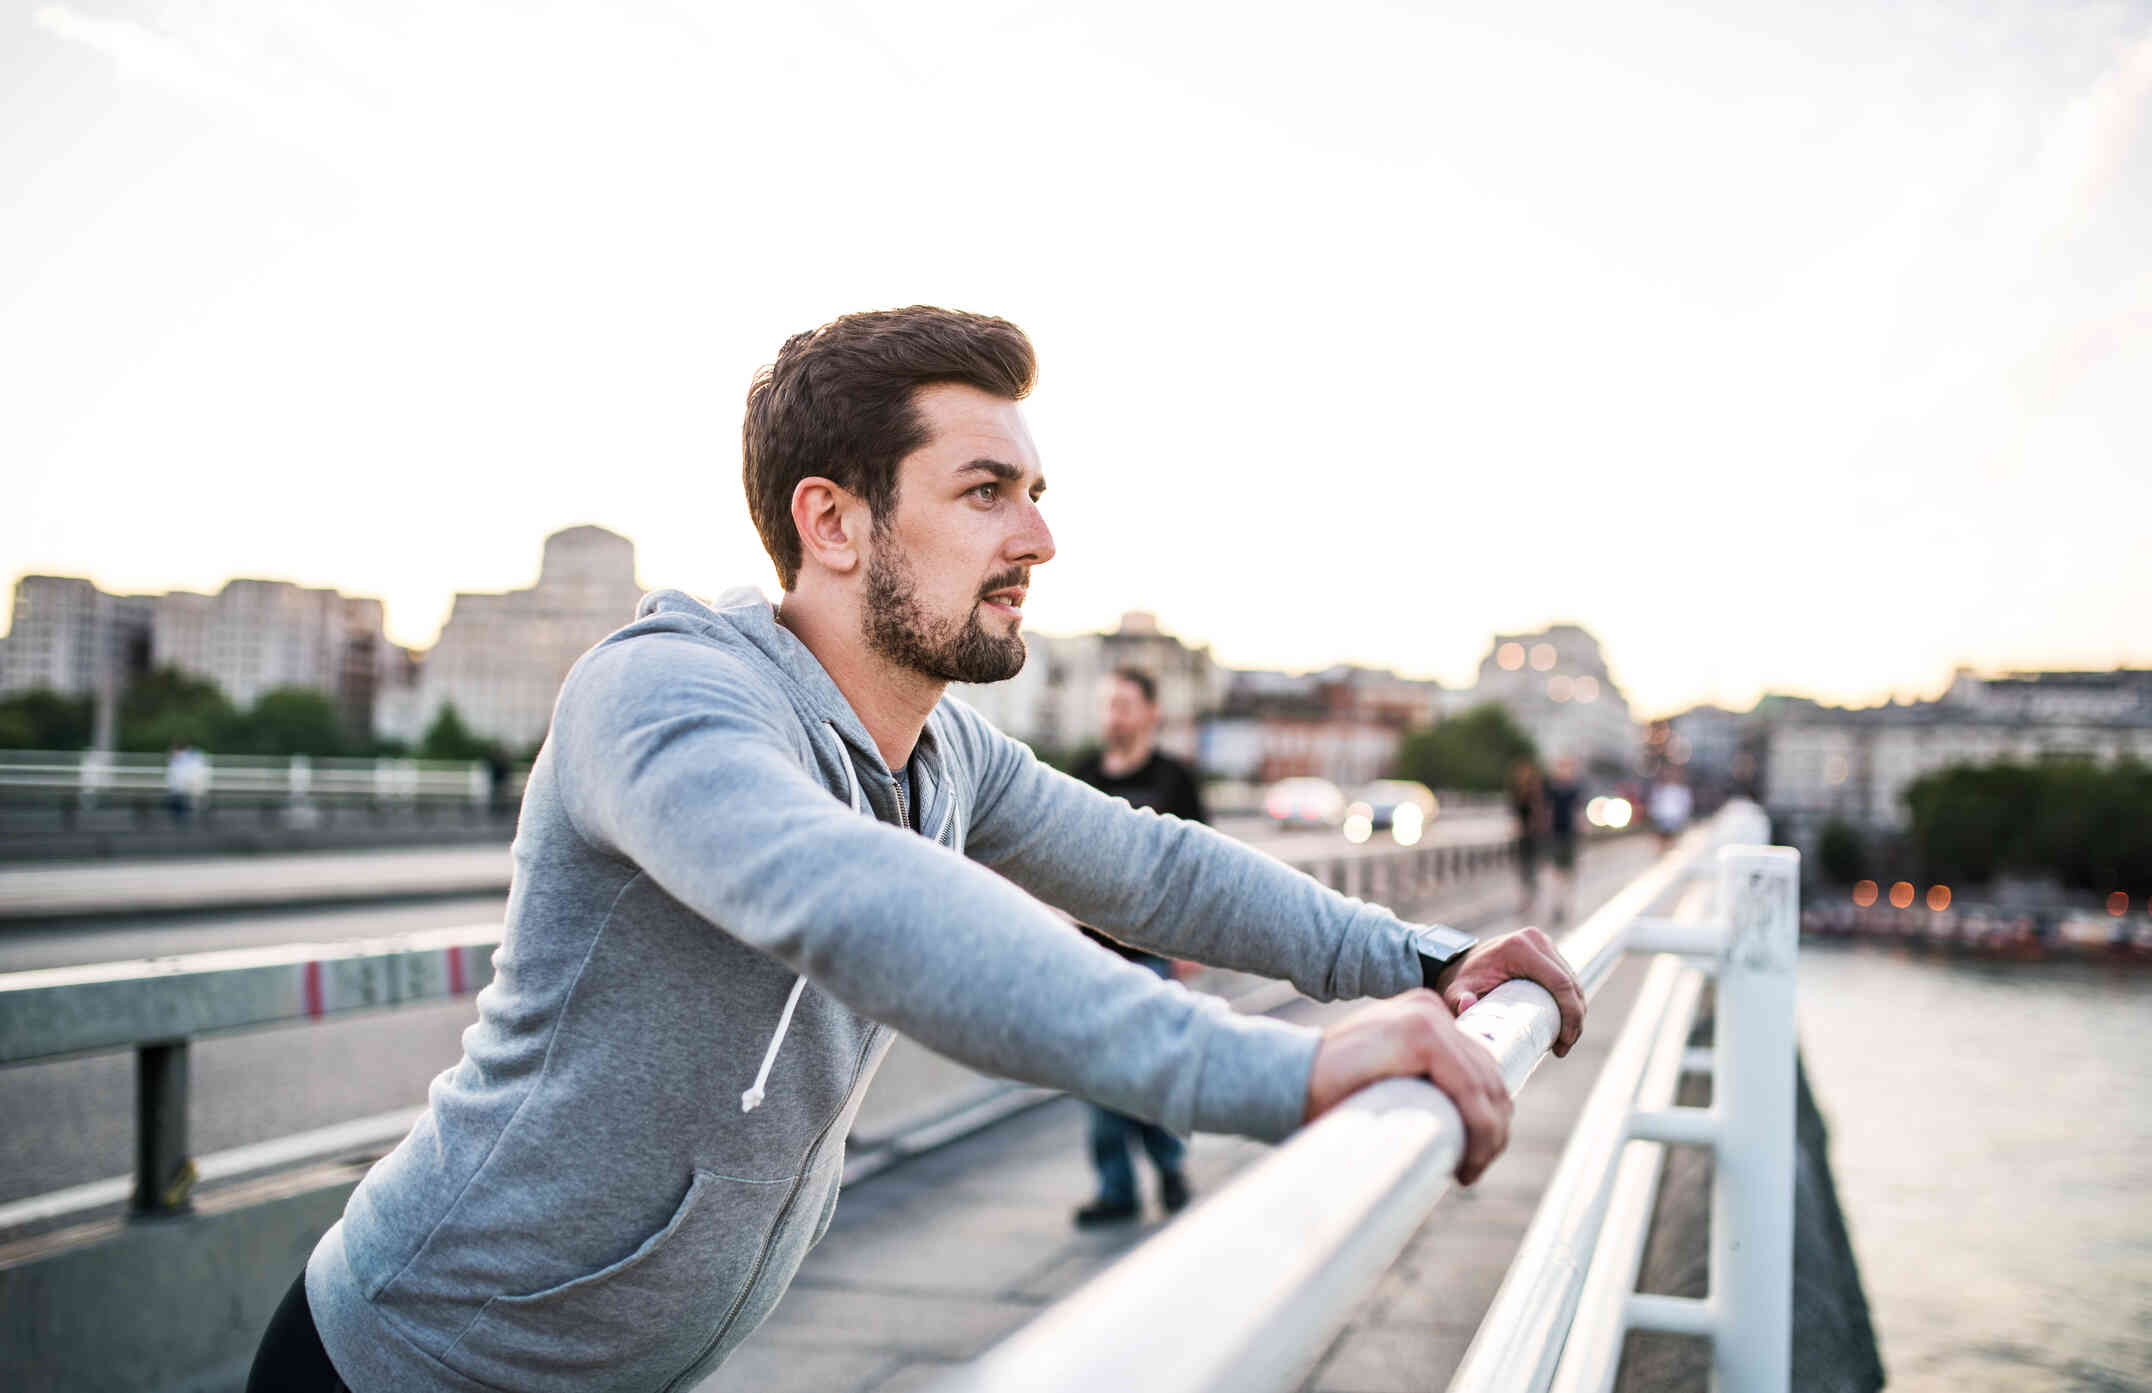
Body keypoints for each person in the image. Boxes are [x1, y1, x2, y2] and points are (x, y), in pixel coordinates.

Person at [249, 306, 1585, 1393]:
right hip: (402, 1365)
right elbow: (857, 898)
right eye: (987, 491)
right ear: (832, 522)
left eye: (1037, 493)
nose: (1040, 538)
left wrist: (1430, 955)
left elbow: (1157, 868)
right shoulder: (661, 694)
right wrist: (1282, 1071)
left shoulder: (947, 751)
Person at [1067, 666, 1206, 1227]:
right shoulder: (1082, 774)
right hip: (1092, 952)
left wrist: (1192, 940)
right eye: (1106, 705)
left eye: (1124, 705)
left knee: (1147, 1068)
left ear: (1151, 713)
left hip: (1153, 947)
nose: (1113, 716)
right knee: (1096, 1074)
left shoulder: (1175, 778)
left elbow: (1202, 861)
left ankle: (1169, 1164)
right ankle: (1117, 1188)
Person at [1543, 755, 1583, 927]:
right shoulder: (1551, 788)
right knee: (1556, 872)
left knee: (1568, 873)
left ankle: (1565, 905)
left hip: (1569, 834)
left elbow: (1578, 811)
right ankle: (1556, 905)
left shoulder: (1574, 788)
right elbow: (1546, 810)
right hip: (1556, 834)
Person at [1508, 758, 1547, 917]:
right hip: (1521, 836)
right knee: (1522, 869)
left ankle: (1530, 899)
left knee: (1530, 869)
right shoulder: (1517, 792)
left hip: (1533, 836)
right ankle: (1526, 899)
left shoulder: (1535, 792)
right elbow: (1514, 812)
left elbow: (1539, 813)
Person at [1649, 766, 1692, 851]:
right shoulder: (1659, 789)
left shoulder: (1682, 790)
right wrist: (1654, 815)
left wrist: (1682, 817)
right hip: (1662, 818)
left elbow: (1686, 804)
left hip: (1675, 819)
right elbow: (1654, 803)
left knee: (1673, 840)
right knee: (1664, 838)